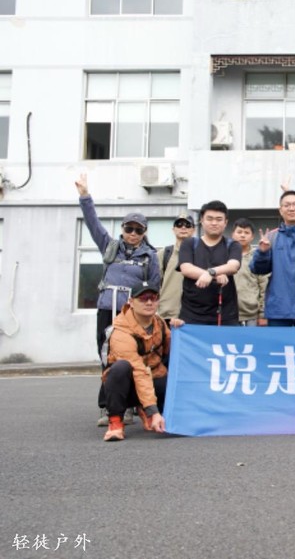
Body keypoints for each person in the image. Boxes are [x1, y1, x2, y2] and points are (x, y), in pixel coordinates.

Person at [76, 173, 161, 427]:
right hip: (107, 308)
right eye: (128, 228)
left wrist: (148, 312)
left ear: (144, 232)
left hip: (132, 314)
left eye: (138, 230)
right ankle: (109, 406)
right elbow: (93, 223)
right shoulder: (110, 247)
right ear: (122, 229)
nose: (133, 233)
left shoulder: (150, 256)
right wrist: (85, 196)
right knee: (107, 356)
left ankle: (131, 406)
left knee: (132, 357)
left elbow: (154, 286)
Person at [101, 281, 182, 441]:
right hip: (127, 385)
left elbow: (175, 353)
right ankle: (115, 421)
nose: (149, 302)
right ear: (131, 302)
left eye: (153, 297)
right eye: (143, 298)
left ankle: (147, 410)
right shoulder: (121, 332)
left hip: (152, 376)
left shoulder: (160, 323)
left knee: (171, 376)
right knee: (120, 368)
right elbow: (138, 371)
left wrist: (178, 330)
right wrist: (153, 410)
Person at [250, 190, 295, 327]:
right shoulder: (271, 237)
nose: (291, 208)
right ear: (280, 210)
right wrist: (262, 253)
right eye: (287, 205)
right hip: (278, 309)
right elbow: (258, 270)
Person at [178, 200, 242, 325]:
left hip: (225, 314)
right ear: (201, 220)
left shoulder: (233, 245)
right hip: (192, 313)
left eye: (219, 219)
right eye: (210, 218)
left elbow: (233, 266)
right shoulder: (189, 243)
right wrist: (215, 275)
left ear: (225, 222)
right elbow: (186, 268)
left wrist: (211, 272)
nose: (214, 223)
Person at [158, 212, 196, 325]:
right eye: (179, 224)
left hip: (193, 315)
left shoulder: (201, 254)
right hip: (166, 314)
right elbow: (154, 283)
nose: (183, 227)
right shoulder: (163, 254)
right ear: (173, 229)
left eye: (187, 225)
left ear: (193, 230)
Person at [232, 218, 269, 326]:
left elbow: (264, 286)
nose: (242, 235)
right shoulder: (225, 255)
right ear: (233, 234)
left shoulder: (258, 257)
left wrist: (262, 314)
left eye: (246, 232)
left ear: (252, 236)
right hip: (228, 313)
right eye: (239, 232)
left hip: (252, 315)